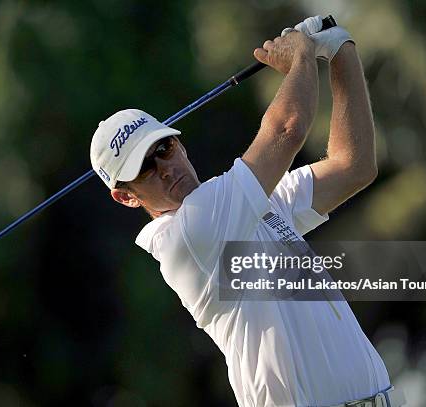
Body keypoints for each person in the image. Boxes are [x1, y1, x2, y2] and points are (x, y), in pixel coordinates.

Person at [90, 16, 406, 407]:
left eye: (163, 149)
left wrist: (341, 51)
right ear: (126, 197)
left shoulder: (255, 200)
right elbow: (287, 129)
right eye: (145, 168)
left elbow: (354, 166)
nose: (165, 168)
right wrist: (302, 54)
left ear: (180, 144)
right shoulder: (185, 237)